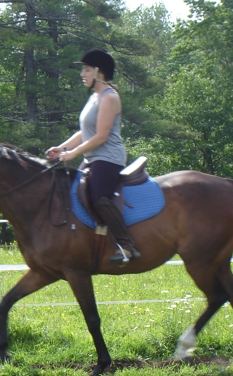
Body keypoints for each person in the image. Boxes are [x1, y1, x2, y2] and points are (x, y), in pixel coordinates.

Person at [46, 48, 140, 266]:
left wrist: (72, 154)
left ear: (99, 72)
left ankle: (127, 245)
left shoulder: (109, 97)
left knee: (98, 197)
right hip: (92, 157)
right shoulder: (95, 97)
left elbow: (100, 137)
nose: (83, 74)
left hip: (108, 157)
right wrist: (61, 148)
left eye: (87, 69)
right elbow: (84, 132)